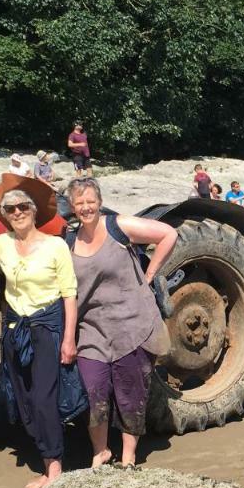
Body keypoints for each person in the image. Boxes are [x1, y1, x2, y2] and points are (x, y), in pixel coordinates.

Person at [0, 188, 77, 488]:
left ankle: (54, 467)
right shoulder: (3, 244)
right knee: (22, 396)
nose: (17, 212)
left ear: (34, 210)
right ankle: (45, 451)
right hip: (15, 329)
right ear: (6, 215)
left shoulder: (56, 246)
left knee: (43, 397)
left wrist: (68, 339)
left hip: (47, 326)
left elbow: (69, 295)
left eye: (23, 206)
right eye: (10, 209)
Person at [67, 178, 177, 468]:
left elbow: (168, 234)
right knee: (94, 392)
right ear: (72, 207)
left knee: (130, 393)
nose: (86, 207)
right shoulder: (68, 241)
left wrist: (150, 275)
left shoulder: (118, 227)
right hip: (91, 330)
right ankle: (100, 451)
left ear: (99, 202)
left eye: (90, 201)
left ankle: (128, 457)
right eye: (79, 203)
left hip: (131, 324)